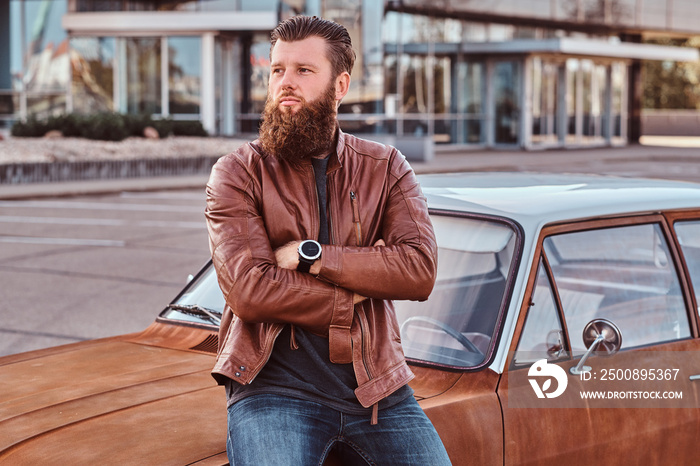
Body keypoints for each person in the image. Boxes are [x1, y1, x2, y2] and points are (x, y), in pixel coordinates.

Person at [205, 15, 451, 466]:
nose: (285, 83)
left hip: (379, 389)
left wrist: (309, 256)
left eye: (303, 70)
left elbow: (418, 270)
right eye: (278, 70)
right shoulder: (238, 172)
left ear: (340, 85)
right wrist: (361, 285)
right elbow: (248, 291)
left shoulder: (386, 167)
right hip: (273, 391)